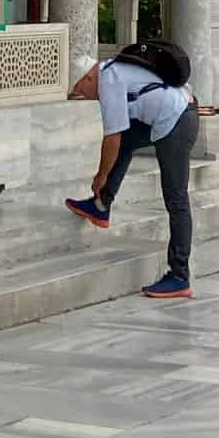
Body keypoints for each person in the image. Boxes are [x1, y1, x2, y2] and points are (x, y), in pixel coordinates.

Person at [65, 46, 198, 300]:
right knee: (127, 138)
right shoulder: (112, 71)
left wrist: (100, 176)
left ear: (88, 78)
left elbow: (111, 138)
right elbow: (121, 135)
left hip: (178, 121)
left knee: (176, 198)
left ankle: (179, 275)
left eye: (81, 89)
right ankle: (101, 205)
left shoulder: (108, 80)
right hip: (171, 115)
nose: (82, 95)